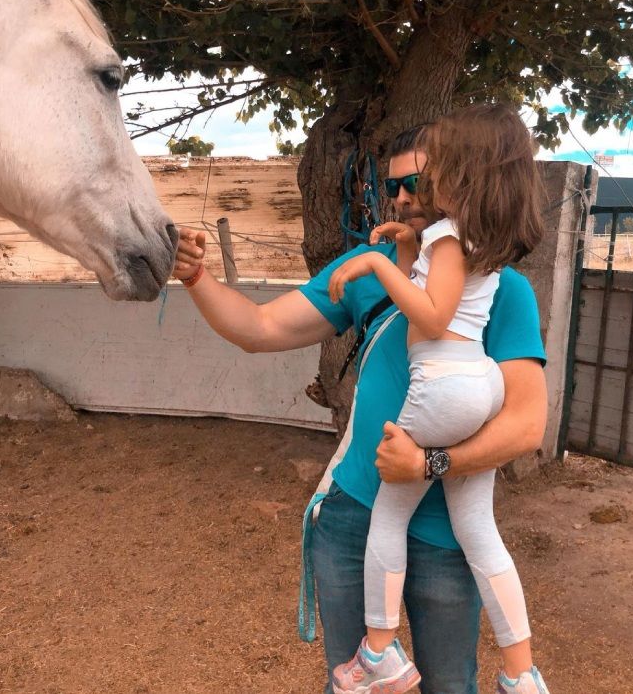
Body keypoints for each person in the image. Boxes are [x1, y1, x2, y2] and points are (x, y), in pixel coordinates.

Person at [172, 122, 548, 694]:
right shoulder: (374, 265)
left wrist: (429, 465)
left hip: (449, 533)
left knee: (448, 687)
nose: (400, 198)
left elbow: (526, 425)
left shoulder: (502, 287)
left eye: (417, 182)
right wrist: (195, 276)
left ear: (455, 182)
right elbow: (259, 327)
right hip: (353, 517)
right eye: (390, 186)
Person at [326, 105, 549, 694]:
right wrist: (405, 254)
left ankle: (378, 654)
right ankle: (521, 672)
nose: (418, 185)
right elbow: (432, 297)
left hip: (443, 386)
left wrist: (375, 261)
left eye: (438, 164)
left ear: (464, 172)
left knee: (388, 514)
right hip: (479, 386)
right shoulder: (481, 240)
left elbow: (429, 313)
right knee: (478, 528)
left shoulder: (448, 237)